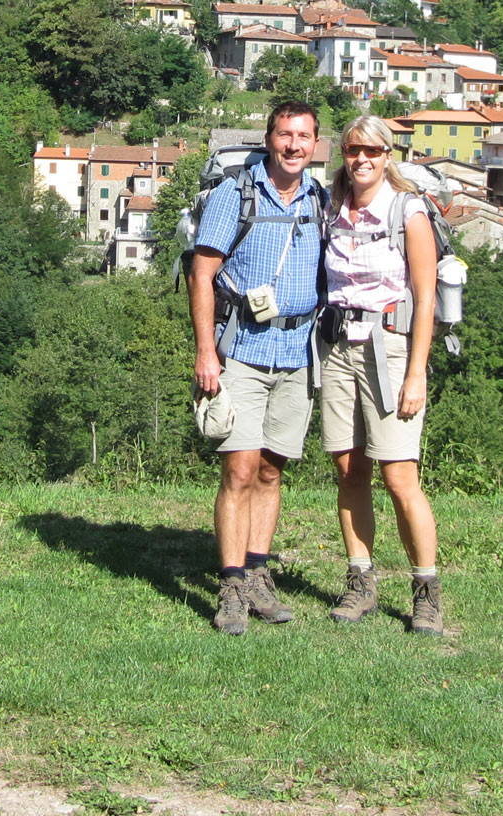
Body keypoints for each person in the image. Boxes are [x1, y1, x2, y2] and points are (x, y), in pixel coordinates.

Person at [189, 100, 327, 636]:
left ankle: (258, 573)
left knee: (272, 470)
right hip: (241, 348)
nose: (293, 145)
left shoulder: (319, 200)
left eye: (303, 137)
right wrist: (206, 352)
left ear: (315, 144)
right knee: (239, 469)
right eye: (284, 135)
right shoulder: (235, 194)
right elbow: (203, 274)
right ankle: (230, 584)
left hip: (296, 353)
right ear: (269, 138)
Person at [318, 113, 445, 637]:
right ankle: (361, 581)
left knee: (399, 475)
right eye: (353, 151)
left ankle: (427, 591)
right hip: (337, 347)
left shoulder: (406, 211)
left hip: (390, 349)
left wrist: (417, 373)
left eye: (372, 151)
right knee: (349, 470)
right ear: (343, 155)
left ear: (388, 156)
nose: (362, 160)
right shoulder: (332, 207)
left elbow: (426, 298)